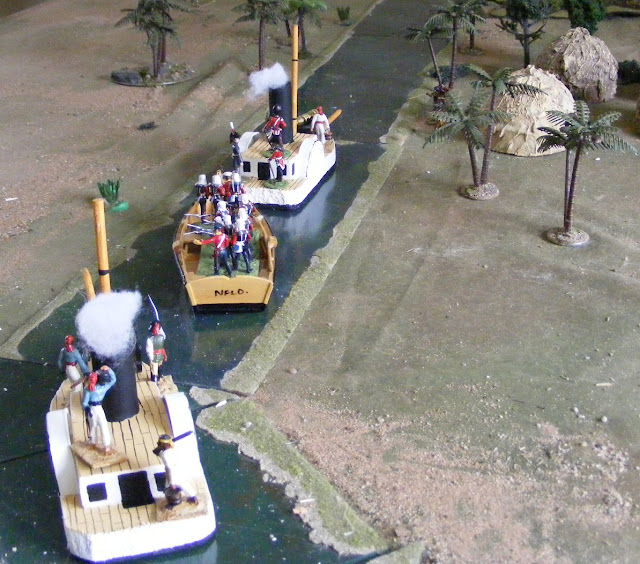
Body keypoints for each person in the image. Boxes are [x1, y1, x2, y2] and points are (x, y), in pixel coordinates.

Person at [153, 434, 198, 505]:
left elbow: (170, 470)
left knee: (180, 484)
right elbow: (157, 452)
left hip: (175, 472)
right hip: (177, 468)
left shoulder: (165, 455)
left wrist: (172, 483)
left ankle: (192, 498)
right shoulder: (171, 450)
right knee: (170, 485)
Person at [81, 366, 117, 455]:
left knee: (93, 426)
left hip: (91, 409)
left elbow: (84, 403)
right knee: (103, 426)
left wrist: (87, 409)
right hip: (99, 408)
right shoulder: (104, 387)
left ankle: (92, 443)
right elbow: (113, 380)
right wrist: (109, 369)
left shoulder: (88, 389)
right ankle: (106, 447)